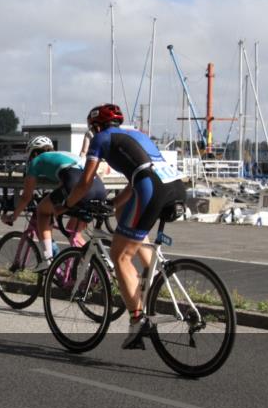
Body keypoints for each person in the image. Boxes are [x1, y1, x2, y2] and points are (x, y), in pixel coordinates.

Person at [62, 104, 186, 349]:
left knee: (119, 255)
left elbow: (85, 182)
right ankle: (152, 279)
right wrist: (113, 203)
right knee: (128, 223)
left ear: (95, 126)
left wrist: (66, 205)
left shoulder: (100, 139)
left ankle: (137, 322)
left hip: (152, 187)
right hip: (175, 185)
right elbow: (136, 178)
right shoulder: (136, 135)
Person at [2, 136, 107, 272]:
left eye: (30, 157)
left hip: (77, 185)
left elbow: (26, 197)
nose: (30, 160)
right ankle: (97, 271)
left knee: (42, 210)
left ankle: (48, 260)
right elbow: (63, 185)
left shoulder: (36, 160)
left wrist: (13, 216)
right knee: (73, 232)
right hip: (99, 188)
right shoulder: (63, 155)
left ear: (34, 153)